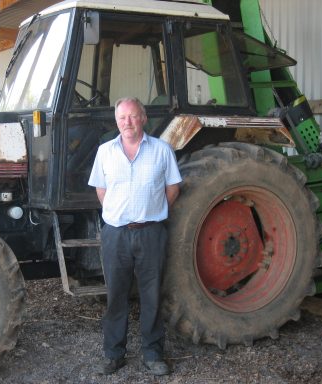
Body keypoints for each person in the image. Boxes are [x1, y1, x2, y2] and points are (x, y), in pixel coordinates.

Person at [88, 97, 182, 376]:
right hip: (115, 235)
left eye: (132, 116)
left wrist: (151, 211)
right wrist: (119, 214)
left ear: (143, 118)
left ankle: (153, 353)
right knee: (116, 294)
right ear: (116, 121)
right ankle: (114, 354)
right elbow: (101, 190)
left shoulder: (162, 150)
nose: (127, 122)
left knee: (151, 295)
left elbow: (173, 188)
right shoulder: (105, 152)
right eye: (121, 118)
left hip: (151, 232)